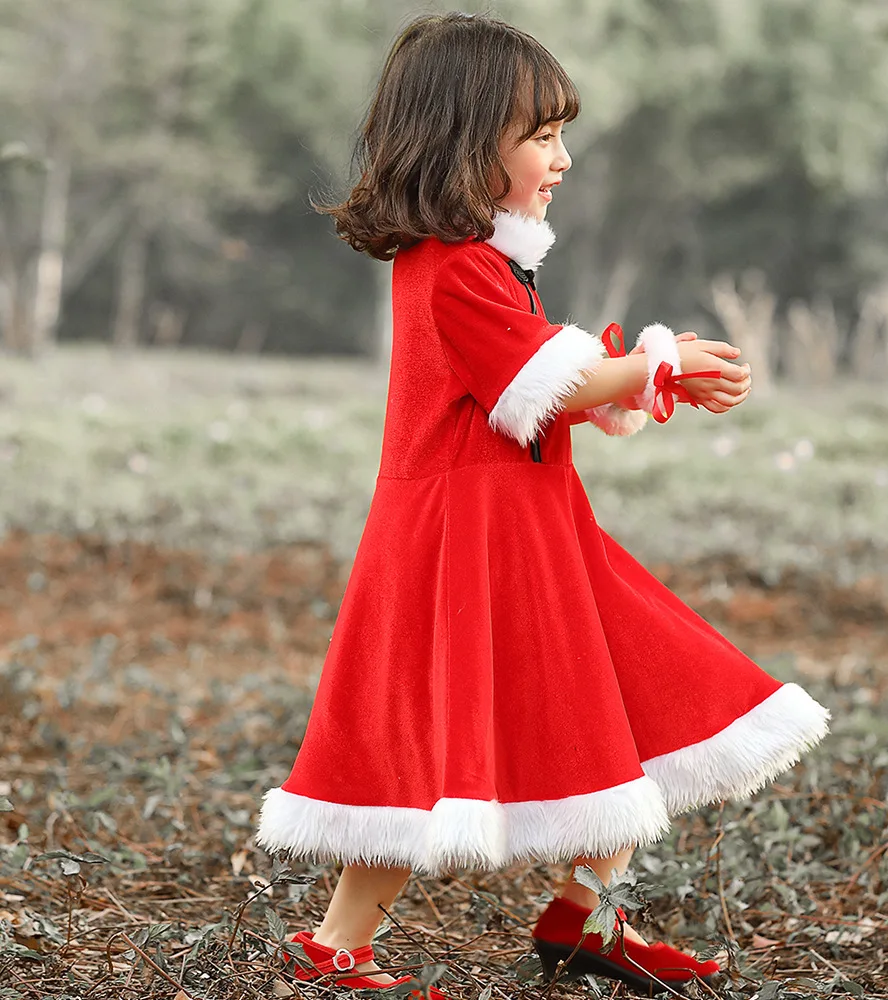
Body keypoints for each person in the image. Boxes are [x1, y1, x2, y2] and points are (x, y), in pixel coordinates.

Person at [255, 12, 829, 997]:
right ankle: (338, 941)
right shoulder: (453, 267)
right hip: (466, 543)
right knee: (424, 735)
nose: (562, 157)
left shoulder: (475, 258)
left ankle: (587, 915)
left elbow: (539, 386)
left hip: (529, 528)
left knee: (622, 691)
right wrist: (655, 363)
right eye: (542, 135)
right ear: (466, 140)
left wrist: (642, 375)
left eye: (562, 133)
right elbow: (538, 381)